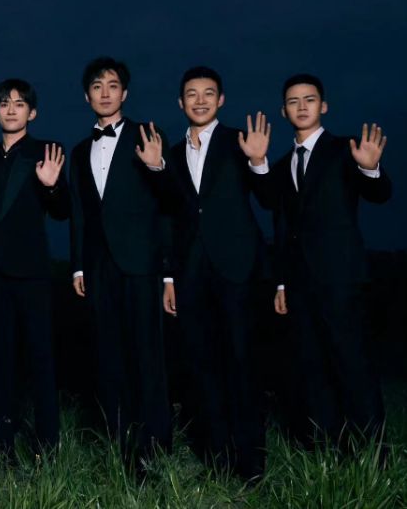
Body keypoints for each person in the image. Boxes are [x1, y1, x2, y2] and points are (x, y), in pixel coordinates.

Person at [264, 73, 390, 445]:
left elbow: (380, 193)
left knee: (352, 365)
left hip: (340, 279)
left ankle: (371, 456)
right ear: (283, 111)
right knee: (311, 369)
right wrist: (281, 282)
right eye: (293, 101)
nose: (302, 106)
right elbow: (281, 225)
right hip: (299, 283)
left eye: (309, 99)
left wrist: (370, 168)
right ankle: (328, 451)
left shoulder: (345, 150)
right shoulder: (282, 164)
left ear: (324, 106)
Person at [162, 66, 271, 479]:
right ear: (181, 103)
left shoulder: (240, 142)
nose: (200, 100)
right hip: (191, 274)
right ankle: (218, 459)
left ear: (221, 100)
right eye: (192, 94)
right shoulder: (171, 155)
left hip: (236, 270)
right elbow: (170, 218)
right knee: (202, 367)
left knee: (242, 364)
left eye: (208, 93)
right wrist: (169, 277)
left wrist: (258, 161)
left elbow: (268, 199)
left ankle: (251, 462)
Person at [68, 57, 174, 468]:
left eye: (113, 85)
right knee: (108, 356)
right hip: (99, 268)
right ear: (87, 96)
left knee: (147, 355)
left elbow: (168, 206)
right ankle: (119, 444)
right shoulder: (79, 151)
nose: (105, 93)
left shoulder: (148, 135)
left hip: (141, 264)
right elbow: (80, 213)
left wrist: (167, 271)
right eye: (97, 86)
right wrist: (78, 266)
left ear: (124, 93)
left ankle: (155, 448)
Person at [0, 78, 69, 458]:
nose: (11, 109)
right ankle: (2, 447)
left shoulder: (47, 151)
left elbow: (63, 211)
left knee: (41, 359)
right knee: (0, 360)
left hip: (32, 272)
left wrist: (52, 186)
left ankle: (48, 448)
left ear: (33, 112)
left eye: (20, 103)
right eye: (4, 103)